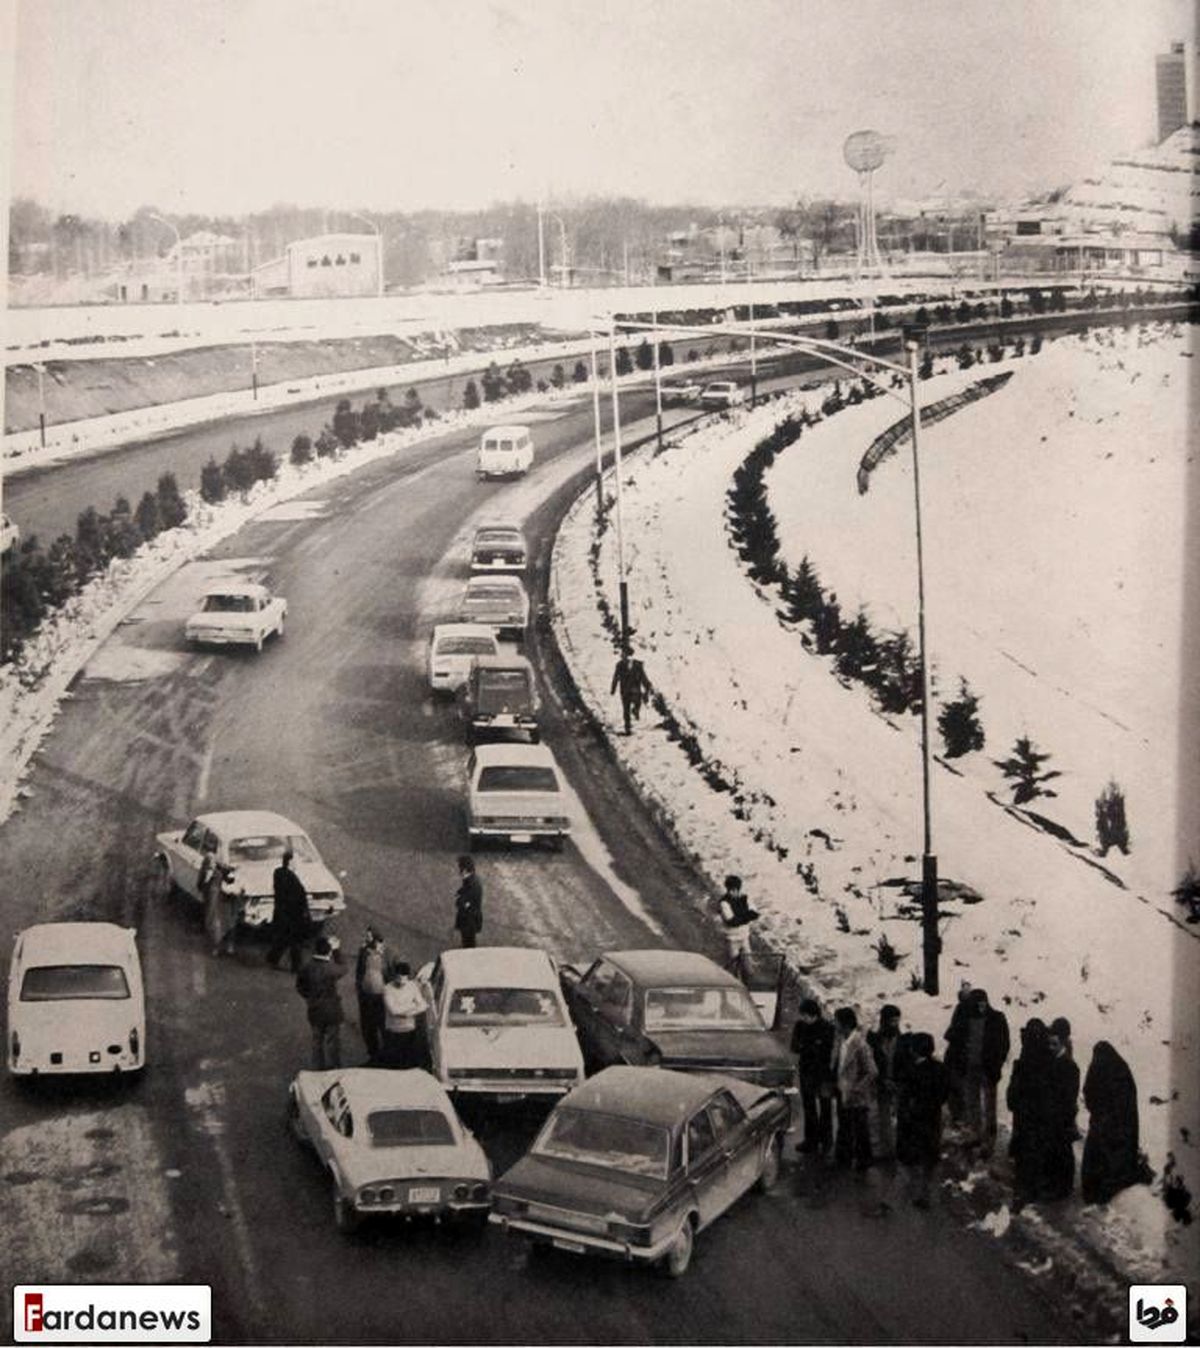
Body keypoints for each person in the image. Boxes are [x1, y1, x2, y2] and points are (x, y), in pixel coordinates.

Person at [943, 987, 1010, 1158]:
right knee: (972, 1103)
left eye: (983, 1004)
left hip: (989, 1069)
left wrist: (997, 1063)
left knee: (989, 1107)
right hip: (970, 1067)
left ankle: (989, 1140)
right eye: (978, 1004)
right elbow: (955, 1040)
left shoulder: (997, 1018)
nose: (981, 1007)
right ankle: (975, 1134)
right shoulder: (966, 1019)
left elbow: (1004, 1044)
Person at [1081, 1041, 1143, 1204]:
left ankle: (1097, 1195)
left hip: (1105, 1125)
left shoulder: (1100, 1069)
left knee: (1098, 1159)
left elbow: (1089, 1092)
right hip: (1118, 1125)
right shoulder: (1121, 1069)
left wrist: (1098, 1113)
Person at [895, 1032, 949, 1208]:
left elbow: (904, 1096)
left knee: (912, 1158)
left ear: (914, 1050)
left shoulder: (911, 1071)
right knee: (929, 1156)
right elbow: (945, 1093)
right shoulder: (940, 1068)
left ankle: (911, 1193)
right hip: (932, 1117)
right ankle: (926, 1193)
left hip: (914, 1119)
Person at [1006, 1018, 1052, 1209]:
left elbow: (1015, 1086)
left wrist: (1013, 1102)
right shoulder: (1046, 1058)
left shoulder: (1025, 1058)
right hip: (1036, 1114)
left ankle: (1022, 1192)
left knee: (1023, 1154)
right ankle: (1032, 1190)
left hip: (1024, 1113)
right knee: (1034, 1152)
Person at [1041, 1020, 1081, 1200]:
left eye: (1054, 1044)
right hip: (1052, 1114)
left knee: (1063, 1150)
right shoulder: (1053, 1061)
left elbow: (1069, 1096)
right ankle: (1054, 1184)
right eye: (1049, 1044)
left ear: (1063, 1043)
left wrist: (1061, 1113)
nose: (1050, 1048)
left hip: (1062, 1116)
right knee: (1054, 1149)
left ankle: (1064, 1188)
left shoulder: (1070, 1067)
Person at [833, 1007, 876, 1171]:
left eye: (836, 1021)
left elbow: (872, 1071)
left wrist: (857, 1089)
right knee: (845, 1126)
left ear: (844, 1024)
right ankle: (844, 1158)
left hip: (855, 1095)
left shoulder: (860, 1045)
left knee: (860, 1129)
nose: (834, 1024)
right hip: (843, 1091)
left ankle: (863, 1160)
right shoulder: (842, 1041)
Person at [791, 998, 835, 1155]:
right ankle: (811, 1140)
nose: (804, 1019)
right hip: (807, 1071)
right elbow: (794, 1046)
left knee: (825, 1107)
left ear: (813, 1014)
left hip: (823, 1073)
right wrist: (811, 1046)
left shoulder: (827, 1028)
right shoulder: (800, 1026)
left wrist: (808, 1047)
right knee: (809, 1106)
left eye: (805, 1015)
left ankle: (826, 1140)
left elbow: (828, 1050)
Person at [867, 1004, 911, 1161]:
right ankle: (887, 1149)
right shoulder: (874, 1039)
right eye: (892, 1021)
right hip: (882, 1082)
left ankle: (902, 1148)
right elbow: (871, 1063)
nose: (895, 1024)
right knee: (883, 1117)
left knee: (902, 1117)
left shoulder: (905, 1039)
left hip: (899, 1082)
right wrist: (883, 1079)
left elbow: (907, 1063)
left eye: (897, 1020)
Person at [295, 935, 346, 1070]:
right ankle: (334, 1067)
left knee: (317, 1040)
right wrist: (337, 950)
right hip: (332, 1010)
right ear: (329, 952)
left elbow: (300, 986)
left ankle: (318, 1067)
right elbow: (344, 968)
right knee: (333, 1041)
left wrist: (309, 997)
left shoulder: (307, 967)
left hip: (314, 1009)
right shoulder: (331, 969)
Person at [267, 849, 311, 972]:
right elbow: (295, 895)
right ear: (291, 861)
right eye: (296, 860)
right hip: (292, 914)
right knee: (295, 940)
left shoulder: (279, 873)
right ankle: (296, 965)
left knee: (284, 939)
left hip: (284, 913)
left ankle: (274, 958)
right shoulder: (289, 876)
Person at [355, 927, 395, 1061]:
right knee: (368, 1027)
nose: (366, 939)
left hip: (381, 996)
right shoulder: (364, 951)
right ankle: (373, 1053)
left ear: (377, 939)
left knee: (384, 1025)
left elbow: (393, 973)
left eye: (369, 937)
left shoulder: (388, 953)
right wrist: (359, 988)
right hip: (366, 996)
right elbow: (359, 971)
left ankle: (388, 1054)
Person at [380, 963, 427, 1069]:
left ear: (408, 977)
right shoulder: (387, 989)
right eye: (399, 978)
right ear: (394, 976)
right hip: (394, 1030)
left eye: (404, 978)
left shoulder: (412, 986)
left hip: (409, 1029)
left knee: (409, 1059)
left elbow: (423, 1005)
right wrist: (412, 1006)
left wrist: (408, 1012)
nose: (401, 981)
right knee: (394, 1061)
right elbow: (393, 1010)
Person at [718, 875, 758, 978]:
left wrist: (740, 917)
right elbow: (731, 921)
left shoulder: (745, 898)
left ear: (738, 889)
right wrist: (746, 916)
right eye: (729, 890)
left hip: (744, 937)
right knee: (734, 967)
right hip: (731, 939)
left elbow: (755, 914)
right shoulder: (723, 902)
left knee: (749, 966)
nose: (731, 892)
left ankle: (748, 982)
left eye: (734, 890)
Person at [207, 863, 244, 957]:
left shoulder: (229, 879)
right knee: (222, 925)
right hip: (223, 904)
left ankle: (222, 947)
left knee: (225, 925)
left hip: (227, 904)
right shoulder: (218, 879)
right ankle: (221, 947)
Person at [610, 653, 652, 731]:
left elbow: (643, 676)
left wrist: (647, 685)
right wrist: (613, 689)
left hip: (635, 690)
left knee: (637, 702)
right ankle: (627, 726)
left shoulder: (637, 665)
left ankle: (635, 710)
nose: (624, 658)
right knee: (626, 709)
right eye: (622, 657)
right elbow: (616, 677)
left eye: (625, 656)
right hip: (625, 691)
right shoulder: (619, 665)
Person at [454, 855, 483, 949]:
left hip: (469, 920)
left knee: (468, 943)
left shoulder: (471, 883)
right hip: (470, 919)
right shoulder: (471, 880)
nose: (459, 871)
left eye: (460, 867)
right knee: (468, 942)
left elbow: (466, 902)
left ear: (464, 869)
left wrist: (460, 900)